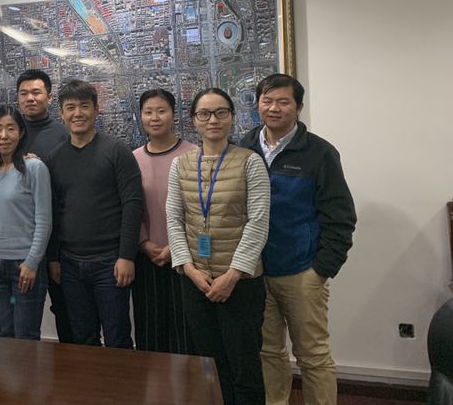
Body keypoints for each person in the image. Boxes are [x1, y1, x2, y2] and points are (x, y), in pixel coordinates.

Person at [238, 74, 356, 405]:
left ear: (299, 107)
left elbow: (341, 217)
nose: (274, 108)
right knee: (268, 352)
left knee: (313, 356)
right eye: (267, 101)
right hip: (255, 272)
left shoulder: (319, 153)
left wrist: (321, 269)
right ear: (257, 104)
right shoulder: (244, 148)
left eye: (283, 101)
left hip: (302, 272)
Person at [166, 87, 270, 404]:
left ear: (232, 117)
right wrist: (189, 270)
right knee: (210, 366)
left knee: (245, 367)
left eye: (220, 112)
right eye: (204, 113)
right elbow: (174, 219)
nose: (213, 120)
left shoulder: (250, 162)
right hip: (195, 282)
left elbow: (258, 221)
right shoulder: (181, 165)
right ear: (194, 120)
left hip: (240, 284)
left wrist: (233, 275)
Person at [46, 79, 144, 349]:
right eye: (70, 108)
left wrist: (126, 256)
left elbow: (133, 204)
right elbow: (53, 210)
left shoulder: (116, 151)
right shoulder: (55, 157)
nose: (77, 113)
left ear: (96, 109)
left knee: (117, 337)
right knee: (83, 338)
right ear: (62, 113)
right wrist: (53, 257)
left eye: (84, 106)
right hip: (69, 264)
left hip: (110, 262)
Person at [0, 105, 52, 340]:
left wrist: (32, 262)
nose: (4, 135)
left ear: (21, 133)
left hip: (23, 265)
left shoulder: (34, 168)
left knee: (25, 338)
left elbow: (44, 220)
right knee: (5, 335)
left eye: (10, 128)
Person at [132, 88, 197, 353]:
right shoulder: (133, 159)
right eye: (148, 112)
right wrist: (143, 242)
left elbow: (199, 208)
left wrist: (176, 246)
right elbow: (129, 207)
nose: (155, 117)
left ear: (173, 114)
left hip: (187, 257)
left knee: (186, 332)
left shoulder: (194, 154)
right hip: (146, 256)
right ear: (140, 116)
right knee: (150, 331)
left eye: (161, 111)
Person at [15, 68, 73, 343]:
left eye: (36, 92)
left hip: (57, 243)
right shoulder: (9, 134)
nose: (30, 98)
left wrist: (55, 255)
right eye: (24, 93)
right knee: (20, 324)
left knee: (66, 314)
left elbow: (66, 193)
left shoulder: (64, 135)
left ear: (49, 97)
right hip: (18, 245)